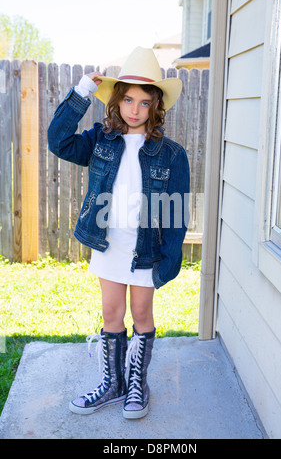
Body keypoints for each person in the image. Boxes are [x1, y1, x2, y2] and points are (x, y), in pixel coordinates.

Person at [47, 47, 190, 419]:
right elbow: (58, 141)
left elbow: (176, 213)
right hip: (108, 246)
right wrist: (80, 94)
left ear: (156, 107)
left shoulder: (171, 154)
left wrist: (170, 261)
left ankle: (136, 385)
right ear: (117, 100)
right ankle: (114, 384)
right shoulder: (100, 141)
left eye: (144, 102)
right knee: (112, 312)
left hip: (145, 250)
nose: (135, 109)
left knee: (141, 313)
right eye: (128, 99)